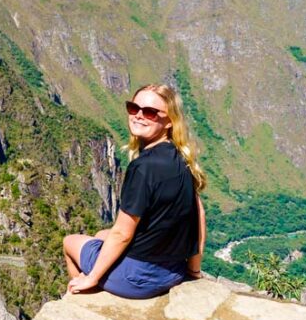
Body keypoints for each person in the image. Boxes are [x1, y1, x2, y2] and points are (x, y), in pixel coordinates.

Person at [63, 84, 208, 299]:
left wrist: (92, 277)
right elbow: (199, 216)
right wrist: (193, 270)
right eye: (134, 108)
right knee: (101, 235)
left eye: (150, 112)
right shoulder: (180, 158)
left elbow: (123, 233)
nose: (139, 116)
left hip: (139, 279)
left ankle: (86, 293)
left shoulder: (143, 168)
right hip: (173, 271)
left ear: (169, 121)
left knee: (70, 241)